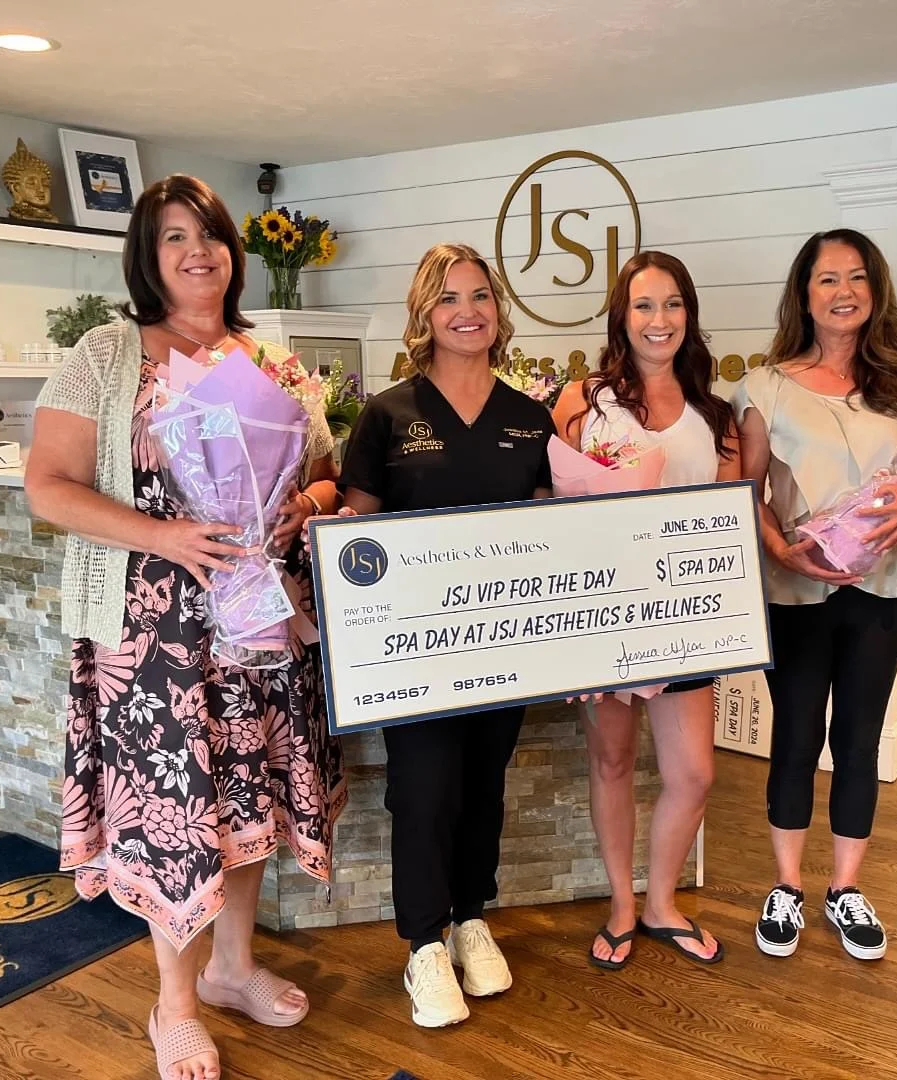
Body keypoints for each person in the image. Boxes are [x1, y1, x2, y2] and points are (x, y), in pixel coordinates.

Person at [26, 174, 345, 1080]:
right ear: (148, 257)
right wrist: (164, 534)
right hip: (151, 639)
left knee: (246, 799)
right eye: (173, 237)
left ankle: (233, 968)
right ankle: (172, 1004)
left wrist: (307, 508)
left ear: (233, 252)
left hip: (254, 623)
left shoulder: (271, 362)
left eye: (208, 232)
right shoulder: (105, 354)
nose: (196, 249)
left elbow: (319, 469)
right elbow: (48, 485)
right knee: (176, 815)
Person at [336, 243, 553, 1028]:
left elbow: (552, 531)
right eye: (449, 298)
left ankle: (470, 919)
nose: (468, 311)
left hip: (503, 649)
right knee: (424, 790)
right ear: (425, 315)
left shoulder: (530, 420)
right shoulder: (389, 414)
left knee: (483, 786)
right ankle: (423, 946)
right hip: (412, 652)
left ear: (499, 312)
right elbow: (355, 530)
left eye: (481, 296)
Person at [734, 228, 897, 963]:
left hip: (882, 592)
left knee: (858, 743)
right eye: (827, 279)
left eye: (857, 277)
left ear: (875, 289)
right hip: (795, 592)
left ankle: (847, 891)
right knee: (794, 738)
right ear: (804, 293)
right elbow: (749, 490)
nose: (844, 292)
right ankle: (788, 887)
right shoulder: (765, 386)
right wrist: (777, 547)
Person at [551, 251, 738, 970]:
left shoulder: (714, 417)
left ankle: (662, 900)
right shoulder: (581, 401)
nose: (659, 321)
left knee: (693, 773)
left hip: (686, 620)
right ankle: (622, 907)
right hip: (604, 617)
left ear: (688, 316)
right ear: (620, 317)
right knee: (613, 759)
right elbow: (552, 506)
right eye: (644, 306)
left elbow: (729, 519)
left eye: (672, 305)